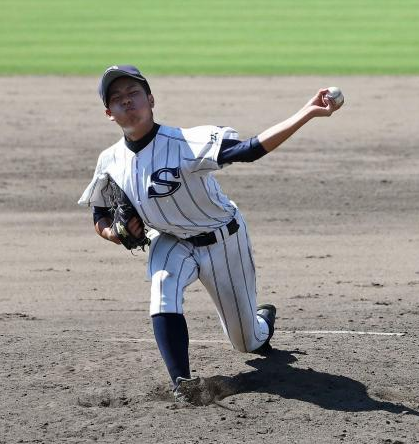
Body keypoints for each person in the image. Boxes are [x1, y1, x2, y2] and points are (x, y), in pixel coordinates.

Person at [78, 65, 342, 402]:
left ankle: (262, 321)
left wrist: (307, 113)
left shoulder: (186, 142)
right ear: (108, 113)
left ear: (151, 99)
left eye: (134, 94)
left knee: (247, 342)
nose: (126, 101)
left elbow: (250, 150)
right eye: (117, 99)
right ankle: (182, 383)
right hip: (171, 240)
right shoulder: (110, 160)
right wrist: (112, 234)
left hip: (222, 239)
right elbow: (100, 212)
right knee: (163, 288)